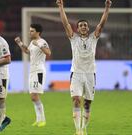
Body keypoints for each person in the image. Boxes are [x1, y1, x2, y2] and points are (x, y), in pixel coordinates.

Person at [56, 0, 112, 134]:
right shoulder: (73, 38)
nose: (83, 27)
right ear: (77, 28)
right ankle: (78, 130)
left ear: (88, 28)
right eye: (80, 25)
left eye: (85, 25)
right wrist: (61, 7)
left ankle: (84, 128)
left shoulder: (94, 38)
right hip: (76, 74)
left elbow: (101, 24)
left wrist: (107, 7)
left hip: (90, 74)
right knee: (76, 100)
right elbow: (65, 23)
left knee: (87, 104)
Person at [14, 24, 51, 127]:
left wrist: (39, 45)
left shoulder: (42, 42)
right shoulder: (32, 42)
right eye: (29, 31)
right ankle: (38, 120)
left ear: (38, 32)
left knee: (35, 96)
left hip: (39, 71)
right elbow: (27, 51)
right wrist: (20, 43)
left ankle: (42, 120)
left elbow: (48, 53)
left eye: (32, 31)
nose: (29, 32)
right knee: (33, 97)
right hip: (32, 71)